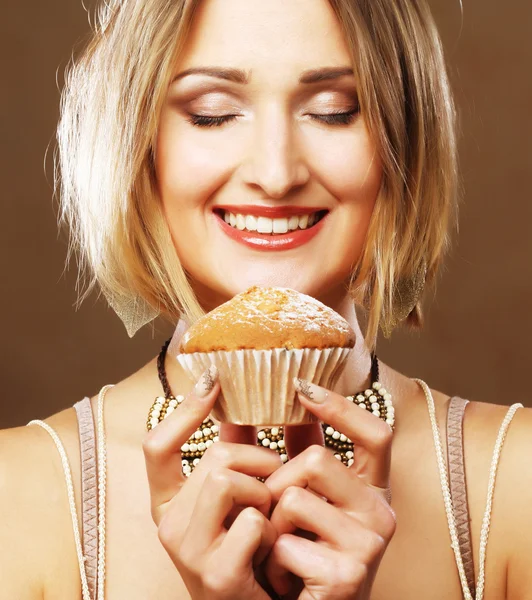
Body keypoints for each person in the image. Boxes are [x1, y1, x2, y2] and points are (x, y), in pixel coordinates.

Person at [1, 0, 530, 598]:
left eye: (334, 112)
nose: (276, 175)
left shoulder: (514, 483)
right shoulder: (19, 496)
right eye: (212, 114)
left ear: (402, 143)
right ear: (139, 144)